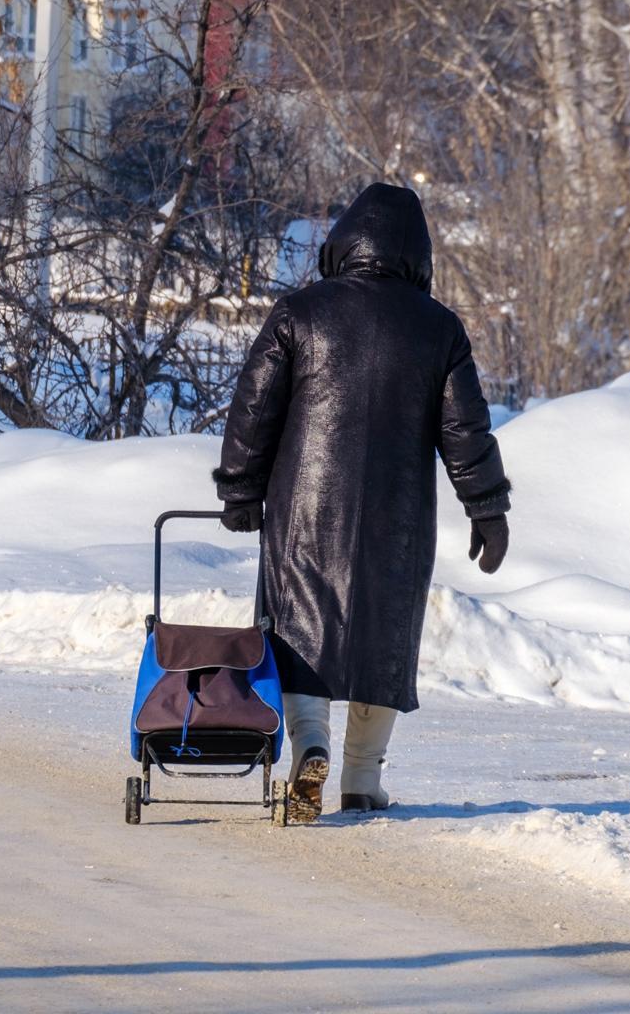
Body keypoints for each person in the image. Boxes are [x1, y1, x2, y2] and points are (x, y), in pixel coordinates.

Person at [213, 183, 510, 823]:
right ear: (420, 253)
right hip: (397, 519)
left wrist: (240, 489)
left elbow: (254, 408)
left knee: (298, 630)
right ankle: (361, 781)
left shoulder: (301, 311)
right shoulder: (439, 330)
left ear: (345, 241)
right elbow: (466, 430)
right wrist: (486, 507)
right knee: (382, 638)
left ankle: (310, 744)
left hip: (304, 511)